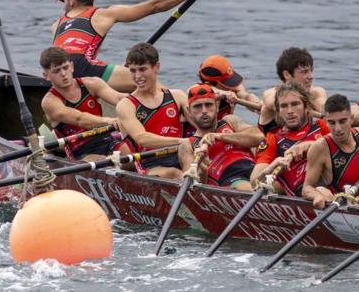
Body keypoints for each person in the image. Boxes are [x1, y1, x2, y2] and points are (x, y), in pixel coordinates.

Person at [50, 0, 217, 91]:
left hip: (58, 69)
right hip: (82, 65)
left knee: (131, 75)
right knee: (148, 81)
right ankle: (183, 112)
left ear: (71, 0)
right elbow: (155, 6)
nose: (63, 4)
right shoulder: (103, 14)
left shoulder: (56, 25)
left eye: (63, 0)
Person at [114, 43, 190, 179]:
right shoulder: (126, 105)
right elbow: (142, 139)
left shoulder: (178, 96)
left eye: (142, 69)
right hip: (150, 165)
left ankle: (195, 184)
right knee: (174, 174)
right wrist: (181, 141)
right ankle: (192, 187)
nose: (137, 76)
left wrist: (216, 97)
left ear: (156, 67)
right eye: (132, 70)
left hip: (180, 157)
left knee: (204, 167)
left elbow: (202, 124)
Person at [301, 94, 359, 209]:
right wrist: (316, 196)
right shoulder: (320, 148)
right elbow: (307, 188)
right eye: (332, 123)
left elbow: (358, 162)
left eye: (342, 121)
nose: (338, 129)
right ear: (326, 122)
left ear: (351, 119)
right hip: (355, 203)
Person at [38, 46, 124, 161]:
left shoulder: (92, 83)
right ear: (46, 76)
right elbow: (79, 119)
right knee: (105, 162)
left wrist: (145, 100)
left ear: (72, 67)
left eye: (65, 67)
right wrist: (109, 121)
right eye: (56, 71)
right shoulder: (50, 102)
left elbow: (119, 99)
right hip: (80, 152)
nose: (63, 74)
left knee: (130, 153)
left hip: (107, 139)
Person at [251, 81, 331, 195]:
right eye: (284, 106)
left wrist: (311, 145)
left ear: (306, 107)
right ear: (278, 112)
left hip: (332, 184)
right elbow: (254, 182)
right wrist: (271, 167)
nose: (290, 111)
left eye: (295, 104)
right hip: (306, 195)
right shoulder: (272, 139)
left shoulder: (322, 127)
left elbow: (352, 139)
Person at [181, 84, 264, 191]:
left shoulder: (230, 121)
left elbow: (259, 137)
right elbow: (191, 185)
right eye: (197, 106)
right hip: (229, 180)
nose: (204, 110)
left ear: (217, 106)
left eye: (208, 105)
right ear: (189, 111)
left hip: (255, 170)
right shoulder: (187, 144)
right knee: (247, 187)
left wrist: (220, 136)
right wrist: (203, 167)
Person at [258, 47, 327, 134]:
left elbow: (323, 105)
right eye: (304, 72)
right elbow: (272, 102)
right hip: (271, 145)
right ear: (287, 75)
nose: (311, 77)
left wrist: (329, 111)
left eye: (311, 71)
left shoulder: (316, 92)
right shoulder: (271, 93)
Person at [197, 55, 262, 121]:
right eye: (226, 82)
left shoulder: (233, 92)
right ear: (209, 83)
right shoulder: (197, 91)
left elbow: (245, 96)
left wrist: (258, 103)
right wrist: (223, 93)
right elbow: (199, 89)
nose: (231, 87)